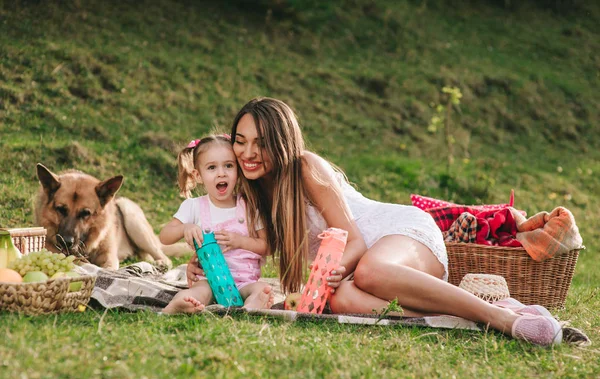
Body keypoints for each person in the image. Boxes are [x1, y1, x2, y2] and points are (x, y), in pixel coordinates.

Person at [186, 98, 562, 346]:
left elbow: (355, 242)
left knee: (367, 272)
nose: (248, 153)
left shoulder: (304, 167)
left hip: (398, 235)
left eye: (261, 142)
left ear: (283, 142)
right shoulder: (253, 193)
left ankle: (499, 317)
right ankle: (467, 312)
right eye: (240, 140)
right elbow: (246, 252)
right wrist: (204, 262)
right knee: (343, 298)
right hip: (359, 272)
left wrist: (340, 267)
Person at [160, 134, 274, 314]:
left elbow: (268, 246)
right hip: (209, 280)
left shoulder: (250, 207)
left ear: (238, 169)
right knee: (199, 291)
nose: (221, 173)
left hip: (245, 281)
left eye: (228, 165)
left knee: (261, 289)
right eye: (212, 167)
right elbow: (165, 236)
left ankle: (250, 307)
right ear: (198, 175)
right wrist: (185, 228)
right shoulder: (194, 206)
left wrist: (240, 241)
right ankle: (182, 304)